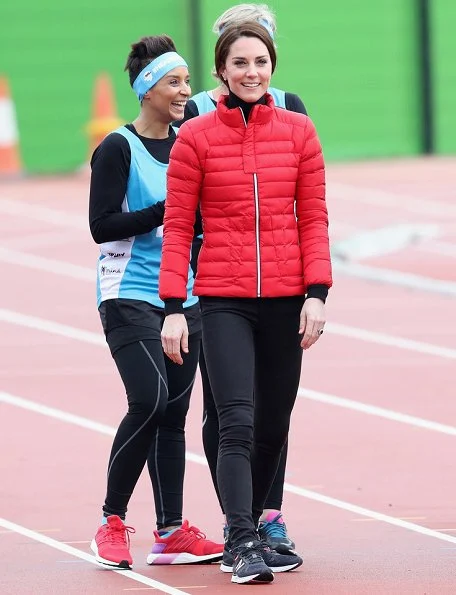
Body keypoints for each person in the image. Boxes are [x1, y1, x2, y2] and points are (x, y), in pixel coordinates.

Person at [159, 22, 332, 585]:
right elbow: (179, 227)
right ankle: (240, 539)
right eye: (240, 63)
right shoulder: (196, 137)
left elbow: (315, 219)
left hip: (287, 301)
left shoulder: (301, 133)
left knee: (274, 423)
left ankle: (254, 527)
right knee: (236, 419)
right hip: (223, 299)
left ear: (273, 67)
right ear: (221, 72)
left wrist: (317, 294)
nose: (251, 72)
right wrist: (173, 306)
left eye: (260, 62)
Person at [88, 34, 223, 570]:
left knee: (173, 416)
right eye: (175, 82)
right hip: (127, 292)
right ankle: (111, 520)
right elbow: (102, 226)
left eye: (188, 81)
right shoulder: (118, 147)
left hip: (184, 295)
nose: (185, 91)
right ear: (147, 90)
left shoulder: (190, 141)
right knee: (147, 399)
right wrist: (167, 211)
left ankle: (170, 532)